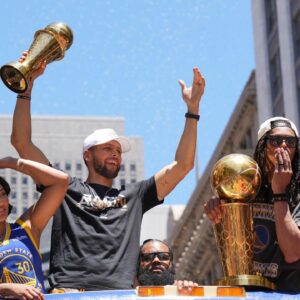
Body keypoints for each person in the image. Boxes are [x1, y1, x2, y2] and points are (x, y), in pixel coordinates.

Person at [10, 52, 205, 292]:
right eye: (107, 148)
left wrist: (192, 110)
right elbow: (22, 143)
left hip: (120, 294)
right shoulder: (64, 187)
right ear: (87, 155)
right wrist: (25, 89)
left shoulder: (136, 194)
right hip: (71, 292)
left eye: (118, 150)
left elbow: (182, 165)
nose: (115, 153)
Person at [204, 116, 300, 293]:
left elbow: (293, 252)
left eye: (291, 141)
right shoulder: (246, 186)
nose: (284, 145)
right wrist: (217, 207)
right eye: (276, 140)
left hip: (289, 293)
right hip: (247, 291)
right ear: (263, 146)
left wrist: (280, 192)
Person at [0, 156, 68, 299]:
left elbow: (60, 181)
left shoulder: (25, 229)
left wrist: (9, 163)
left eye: (3, 194)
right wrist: (7, 288)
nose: (1, 202)